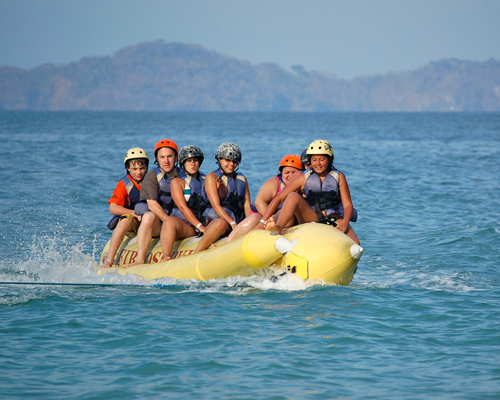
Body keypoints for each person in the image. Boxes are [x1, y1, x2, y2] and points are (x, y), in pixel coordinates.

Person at [261, 140, 360, 244]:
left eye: (322, 159)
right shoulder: (304, 178)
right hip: (312, 217)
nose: (318, 163)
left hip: (334, 218)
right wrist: (263, 221)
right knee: (293, 196)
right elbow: (279, 198)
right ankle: (278, 228)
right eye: (314, 160)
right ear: (310, 161)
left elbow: (348, 204)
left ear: (329, 159)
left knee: (356, 244)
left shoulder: (339, 177)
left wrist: (344, 222)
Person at [123, 139, 182, 267]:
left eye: (170, 156)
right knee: (148, 216)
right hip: (160, 225)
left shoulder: (184, 175)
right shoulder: (152, 176)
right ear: (157, 158)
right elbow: (152, 205)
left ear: (176, 157)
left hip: (181, 224)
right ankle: (140, 259)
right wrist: (168, 224)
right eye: (162, 157)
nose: (166, 161)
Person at [226, 154, 301, 241]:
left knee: (287, 215)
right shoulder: (274, 183)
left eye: (294, 172)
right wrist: (270, 219)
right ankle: (228, 243)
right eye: (287, 172)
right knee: (254, 219)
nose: (290, 176)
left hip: (284, 221)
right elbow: (259, 202)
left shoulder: (302, 185)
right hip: (262, 216)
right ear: (281, 173)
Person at [198, 142, 252, 251]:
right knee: (220, 224)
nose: (231, 164)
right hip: (217, 221)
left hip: (236, 219)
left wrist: (250, 223)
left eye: (235, 161)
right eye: (228, 160)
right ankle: (197, 252)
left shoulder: (242, 179)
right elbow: (216, 206)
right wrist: (233, 224)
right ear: (219, 160)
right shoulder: (212, 178)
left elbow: (247, 205)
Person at [102, 147, 149, 268]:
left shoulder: (151, 181)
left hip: (149, 221)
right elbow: (113, 208)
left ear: (146, 167)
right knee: (125, 221)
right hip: (132, 221)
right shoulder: (125, 183)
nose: (138, 172)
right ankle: (109, 260)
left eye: (142, 168)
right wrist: (134, 213)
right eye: (134, 169)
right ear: (128, 168)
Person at [159, 145, 208, 260]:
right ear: (183, 163)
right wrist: (200, 227)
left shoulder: (207, 180)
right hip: (185, 226)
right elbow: (182, 207)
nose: (193, 163)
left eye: (196, 160)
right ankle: (166, 256)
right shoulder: (177, 181)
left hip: (203, 224)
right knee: (169, 221)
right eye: (189, 161)